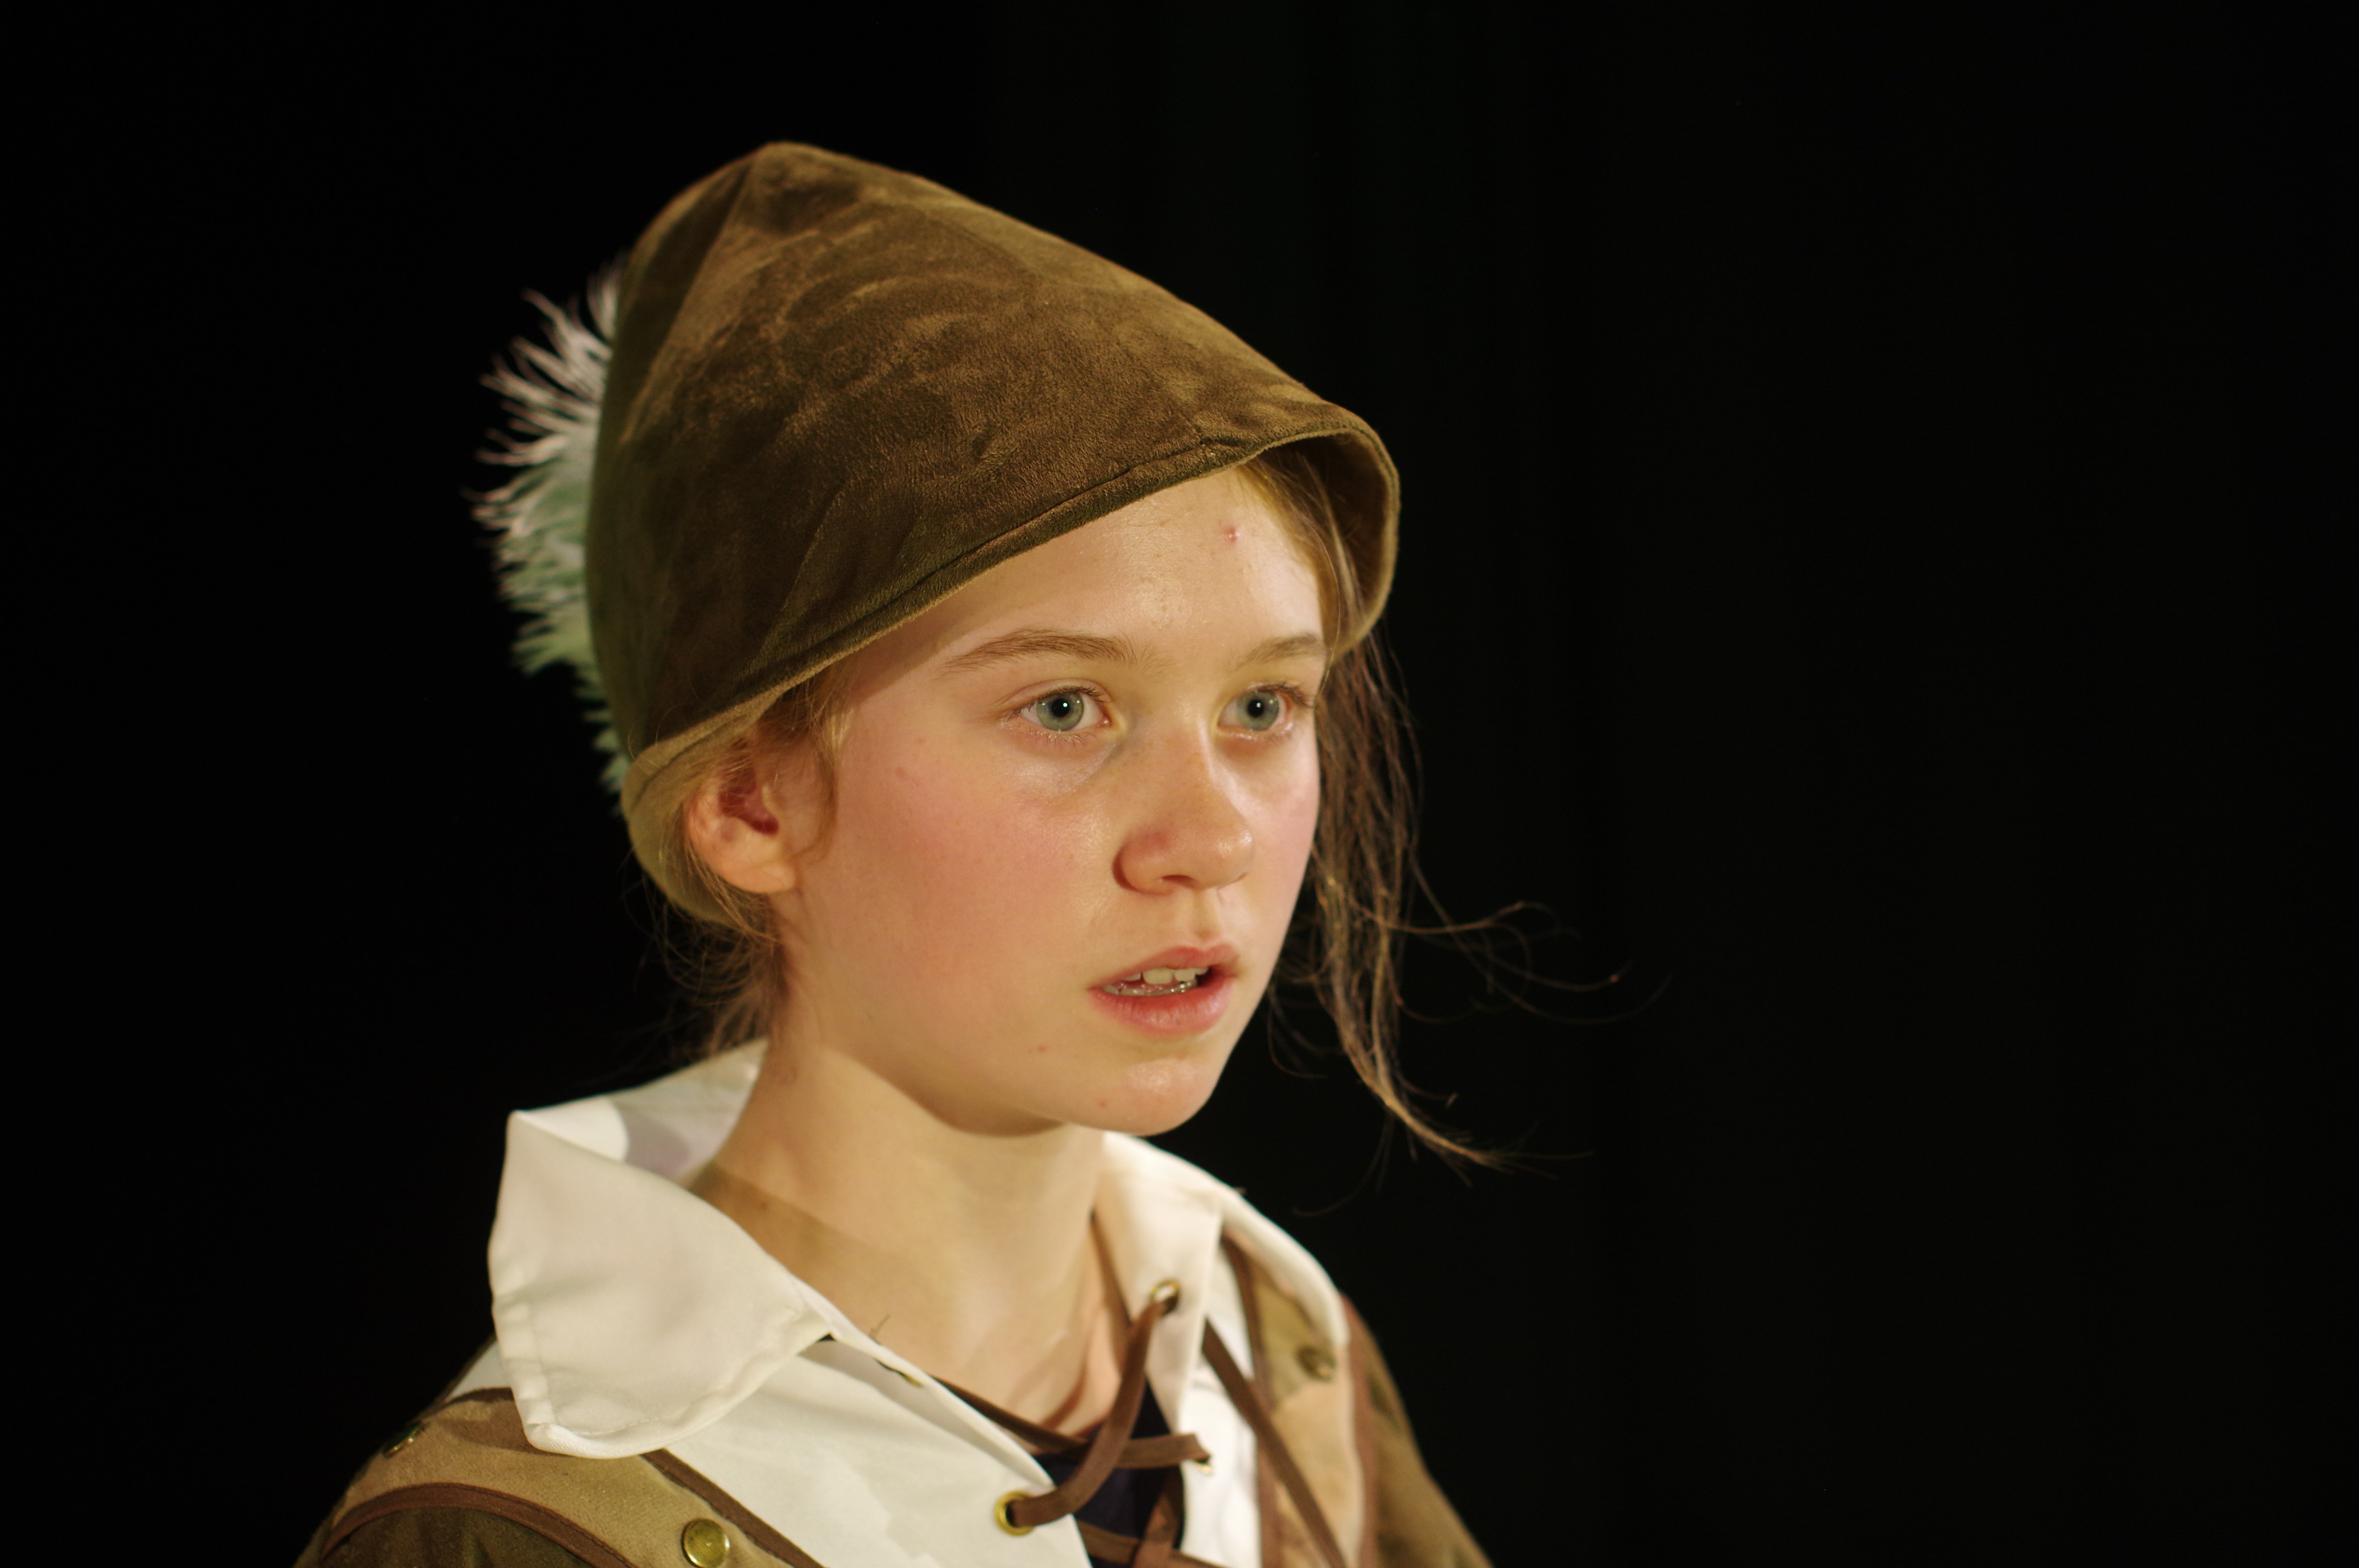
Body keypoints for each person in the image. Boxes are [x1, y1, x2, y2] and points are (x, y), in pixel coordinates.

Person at [298, 143, 1491, 1568]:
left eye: (1263, 706)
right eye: (1066, 708)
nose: (1215, 838)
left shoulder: (1275, 1350)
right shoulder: (520, 1532)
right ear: (749, 803)